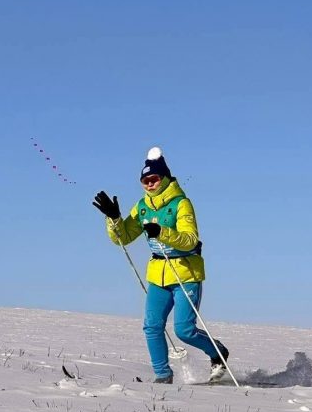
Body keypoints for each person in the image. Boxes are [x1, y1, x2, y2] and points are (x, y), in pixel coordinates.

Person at [92, 147, 229, 384]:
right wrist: (113, 218)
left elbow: (190, 240)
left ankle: (218, 353)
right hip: (158, 275)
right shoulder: (142, 207)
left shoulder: (181, 204)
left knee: (184, 330)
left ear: (164, 178)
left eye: (154, 179)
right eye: (145, 181)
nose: (149, 184)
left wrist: (162, 232)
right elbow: (123, 238)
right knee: (152, 326)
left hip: (185, 272)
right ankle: (163, 375)